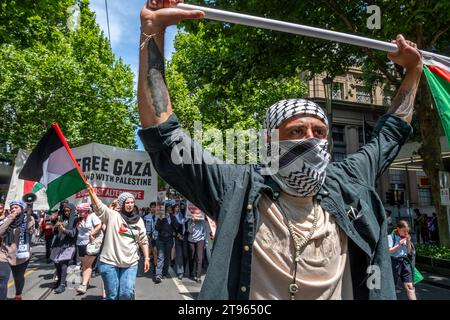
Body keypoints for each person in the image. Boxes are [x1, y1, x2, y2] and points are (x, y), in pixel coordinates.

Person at [137, 1, 422, 300]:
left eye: (320, 132)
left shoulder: (349, 181)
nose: (311, 140)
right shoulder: (237, 187)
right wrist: (152, 33)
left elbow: (390, 133)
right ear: (271, 141)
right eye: (297, 131)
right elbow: (165, 135)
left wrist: (414, 70)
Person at [87, 185, 150, 300]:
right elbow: (99, 207)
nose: (130, 205)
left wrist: (146, 258)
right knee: (112, 296)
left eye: (132, 202)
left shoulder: (139, 220)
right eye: (127, 202)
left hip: (130, 263)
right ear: (121, 204)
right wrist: (92, 193)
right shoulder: (113, 215)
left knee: (126, 294)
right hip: (110, 262)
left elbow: (143, 240)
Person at [0, 200, 35, 300]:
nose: (13, 209)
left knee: (18, 278)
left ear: (22, 208)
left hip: (21, 255)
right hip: (4, 254)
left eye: (16, 207)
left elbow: (29, 229)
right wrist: (10, 218)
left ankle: (18, 294)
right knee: (2, 279)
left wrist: (28, 215)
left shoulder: (28, 219)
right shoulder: (5, 219)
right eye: (11, 208)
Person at [50, 202, 78, 294]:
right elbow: (54, 233)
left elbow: (73, 234)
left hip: (68, 245)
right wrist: (55, 226)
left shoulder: (75, 220)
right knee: (56, 263)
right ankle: (58, 281)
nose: (66, 213)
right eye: (65, 211)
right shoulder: (61, 218)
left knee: (63, 264)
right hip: (58, 244)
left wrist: (64, 230)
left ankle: (62, 284)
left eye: (68, 211)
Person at [75, 203, 102, 294]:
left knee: (88, 265)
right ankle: (86, 282)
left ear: (87, 210)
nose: (80, 213)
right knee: (84, 265)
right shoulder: (79, 219)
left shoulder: (93, 216)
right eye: (79, 211)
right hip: (80, 243)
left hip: (91, 244)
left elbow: (99, 225)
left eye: (82, 211)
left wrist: (92, 233)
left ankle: (83, 285)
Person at [388, 220, 416, 300]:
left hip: (405, 262)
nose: (406, 233)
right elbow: (389, 251)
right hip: (394, 262)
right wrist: (399, 244)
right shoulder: (390, 237)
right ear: (398, 229)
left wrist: (408, 242)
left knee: (410, 286)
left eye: (407, 231)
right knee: (392, 285)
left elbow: (409, 253)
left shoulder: (406, 238)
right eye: (404, 231)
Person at [154, 200, 178, 283]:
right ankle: (158, 275)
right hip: (160, 239)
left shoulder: (173, 216)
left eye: (171, 207)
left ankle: (164, 273)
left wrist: (173, 217)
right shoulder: (161, 216)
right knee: (160, 257)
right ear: (165, 208)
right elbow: (157, 228)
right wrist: (160, 219)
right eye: (168, 207)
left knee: (167, 257)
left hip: (169, 240)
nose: (170, 209)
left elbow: (176, 227)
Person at [187, 214, 207, 283]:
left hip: (200, 240)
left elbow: (205, 232)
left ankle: (198, 276)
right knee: (192, 256)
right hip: (191, 240)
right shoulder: (190, 221)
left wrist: (205, 242)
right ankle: (191, 271)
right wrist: (192, 223)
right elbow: (190, 231)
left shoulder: (202, 221)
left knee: (199, 257)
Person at [173, 203, 187, 280]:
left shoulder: (183, 215)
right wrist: (178, 235)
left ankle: (182, 268)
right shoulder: (173, 216)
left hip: (185, 236)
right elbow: (174, 227)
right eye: (177, 207)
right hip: (178, 237)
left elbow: (186, 225)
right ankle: (180, 272)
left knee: (185, 254)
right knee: (179, 255)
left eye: (180, 207)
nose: (178, 208)